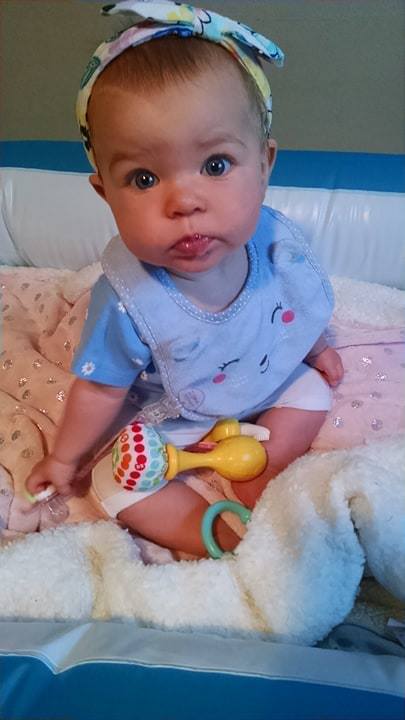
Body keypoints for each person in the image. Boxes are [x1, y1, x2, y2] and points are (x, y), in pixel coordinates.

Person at [26, 1, 343, 557]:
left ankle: (260, 475)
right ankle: (223, 538)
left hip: (265, 372)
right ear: (105, 192)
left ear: (264, 165)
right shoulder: (129, 301)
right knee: (113, 484)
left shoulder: (274, 240)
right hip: (179, 409)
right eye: (143, 178)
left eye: (216, 165)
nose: (184, 202)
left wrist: (311, 345)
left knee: (312, 390)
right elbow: (101, 389)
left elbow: (287, 300)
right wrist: (63, 458)